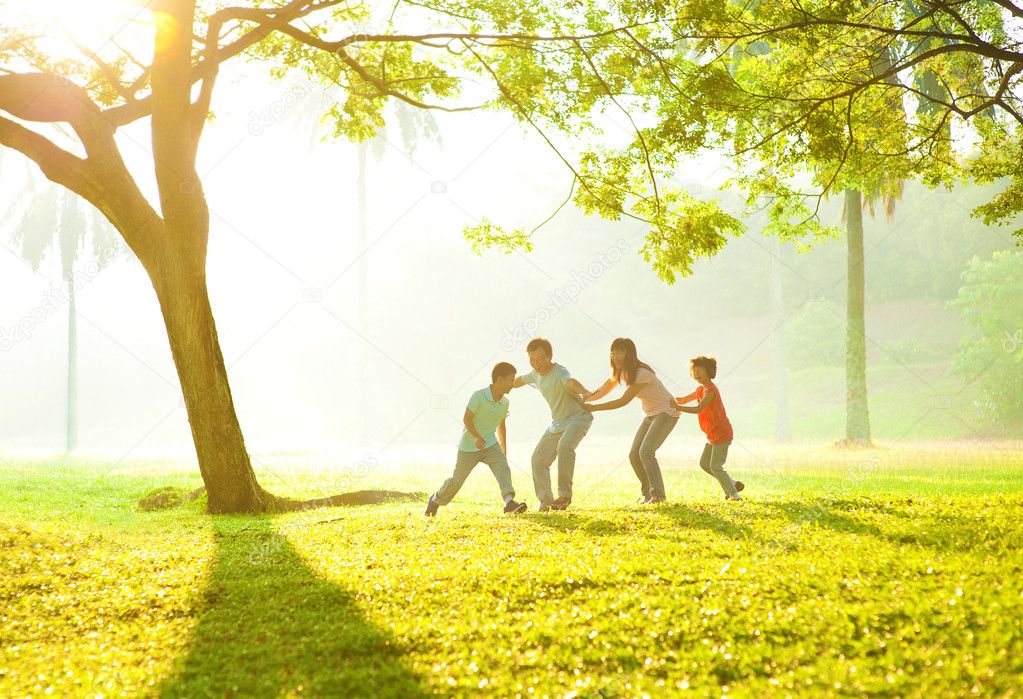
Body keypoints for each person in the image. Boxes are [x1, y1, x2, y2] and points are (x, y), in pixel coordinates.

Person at [583, 338, 679, 504]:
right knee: (634, 455)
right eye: (613, 353)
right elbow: (601, 391)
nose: (616, 356)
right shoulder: (620, 372)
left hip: (666, 412)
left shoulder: (642, 373)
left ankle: (658, 496)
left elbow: (623, 401)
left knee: (646, 452)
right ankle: (648, 494)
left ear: (630, 353)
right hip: (650, 415)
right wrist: (583, 399)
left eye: (620, 352)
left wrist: (594, 408)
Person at [425, 362, 527, 516]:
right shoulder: (478, 396)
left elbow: (501, 425)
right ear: (499, 379)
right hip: (469, 447)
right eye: (511, 380)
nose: (513, 384)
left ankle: (509, 503)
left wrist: (503, 447)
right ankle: (435, 500)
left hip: (490, 444)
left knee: (503, 468)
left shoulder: (505, 402)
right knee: (456, 482)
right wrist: (476, 437)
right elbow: (467, 419)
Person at [512, 338, 593, 511]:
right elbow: (518, 381)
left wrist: (585, 391)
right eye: (532, 359)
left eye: (540, 358)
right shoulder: (535, 374)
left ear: (549, 356)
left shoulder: (559, 371)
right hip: (557, 424)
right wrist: (503, 384)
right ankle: (546, 501)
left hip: (578, 418)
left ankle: (564, 496)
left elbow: (570, 381)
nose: (536, 363)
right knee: (538, 460)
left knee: (564, 447)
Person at [676, 356, 745, 501]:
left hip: (722, 434)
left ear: (709, 371)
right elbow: (682, 399)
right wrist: (666, 399)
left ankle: (734, 495)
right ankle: (732, 484)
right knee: (704, 464)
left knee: (715, 466)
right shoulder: (700, 390)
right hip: (711, 435)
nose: (696, 373)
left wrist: (677, 408)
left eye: (700, 370)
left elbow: (698, 408)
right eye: (694, 371)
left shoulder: (711, 390)